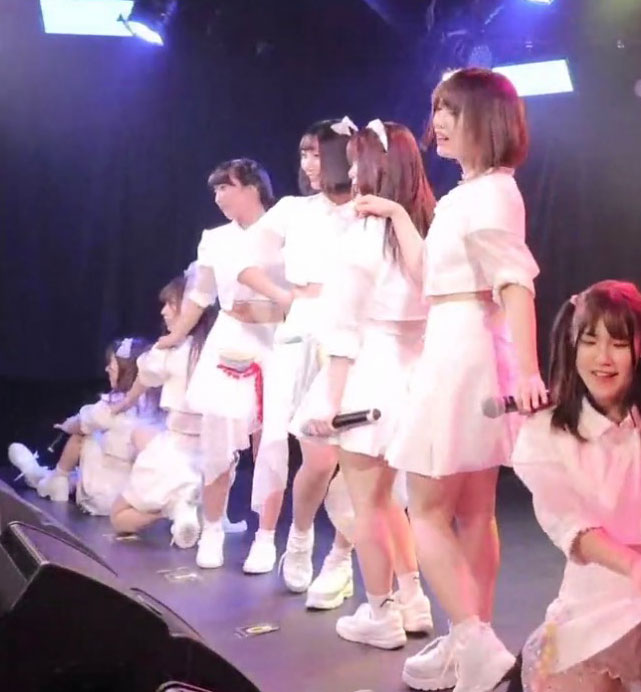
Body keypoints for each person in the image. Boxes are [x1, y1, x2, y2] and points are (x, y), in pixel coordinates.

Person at [354, 68, 542, 692]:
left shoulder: (488, 195)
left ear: (484, 120)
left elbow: (515, 282)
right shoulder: (476, 193)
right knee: (473, 509)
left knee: (430, 508)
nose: (437, 120)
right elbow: (429, 273)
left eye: (450, 110)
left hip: (461, 350)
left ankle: (474, 640)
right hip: (464, 341)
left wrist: (530, 369)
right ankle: (469, 639)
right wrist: (394, 212)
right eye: (437, 107)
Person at [512, 280, 641, 692]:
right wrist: (633, 564)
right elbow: (571, 524)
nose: (602, 358)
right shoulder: (544, 430)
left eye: (619, 344)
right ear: (572, 344)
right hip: (591, 606)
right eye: (590, 342)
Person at [296, 118, 435, 635]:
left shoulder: (366, 235)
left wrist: (328, 403)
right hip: (414, 382)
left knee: (368, 505)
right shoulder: (423, 229)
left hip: (368, 379)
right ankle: (413, 600)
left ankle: (380, 613)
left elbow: (343, 329)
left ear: (378, 167)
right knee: (390, 500)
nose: (350, 173)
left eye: (357, 163)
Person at [234, 118, 358, 578]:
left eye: (317, 153)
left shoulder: (369, 208)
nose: (308, 163)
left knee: (360, 457)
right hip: (305, 327)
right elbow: (243, 262)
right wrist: (285, 298)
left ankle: (342, 555)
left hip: (358, 331)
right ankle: (296, 536)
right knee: (312, 453)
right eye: (304, 153)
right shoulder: (292, 209)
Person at [161, 158, 282, 570]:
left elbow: (306, 290)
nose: (218, 197)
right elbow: (201, 294)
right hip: (230, 339)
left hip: (277, 341)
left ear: (251, 187)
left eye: (225, 187)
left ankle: (265, 538)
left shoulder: (285, 229)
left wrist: (275, 313)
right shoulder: (214, 239)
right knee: (218, 440)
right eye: (215, 190)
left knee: (271, 444)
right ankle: (212, 528)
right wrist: (177, 334)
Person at [107, 271, 216, 548]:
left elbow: (144, 377)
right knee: (143, 436)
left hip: (175, 453)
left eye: (171, 304)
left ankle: (174, 509)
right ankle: (191, 507)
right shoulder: (219, 349)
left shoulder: (169, 351)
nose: (164, 311)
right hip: (213, 458)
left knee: (118, 518)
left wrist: (125, 402)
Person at [8, 337, 154, 516]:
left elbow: (81, 423)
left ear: (125, 371)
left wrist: (65, 425)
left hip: (101, 497)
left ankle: (57, 479)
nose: (107, 369)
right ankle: (46, 476)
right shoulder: (154, 408)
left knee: (84, 433)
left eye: (112, 366)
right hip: (130, 500)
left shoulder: (113, 406)